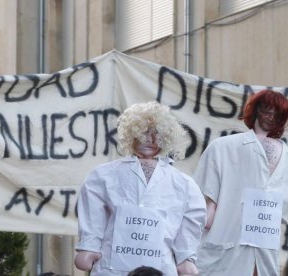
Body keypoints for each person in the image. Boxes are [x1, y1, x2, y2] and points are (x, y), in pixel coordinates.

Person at [74, 101, 207, 275]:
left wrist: (185, 256)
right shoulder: (103, 175)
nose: (150, 140)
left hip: (160, 267)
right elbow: (93, 212)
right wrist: (89, 245)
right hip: (113, 267)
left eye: (157, 134)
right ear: (132, 134)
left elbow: (192, 218)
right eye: (144, 133)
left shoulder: (184, 183)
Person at [194, 89, 288, 276]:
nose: (270, 116)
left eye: (276, 113)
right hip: (225, 256)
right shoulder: (222, 148)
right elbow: (205, 211)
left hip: (263, 259)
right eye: (266, 109)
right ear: (255, 110)